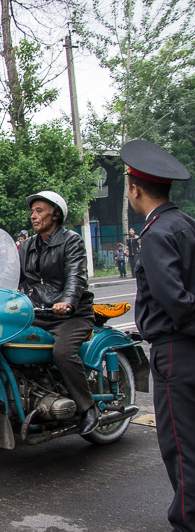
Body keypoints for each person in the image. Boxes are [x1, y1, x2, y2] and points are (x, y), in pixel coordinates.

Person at [122, 139, 194, 532]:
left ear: (135, 188)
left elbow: (175, 302)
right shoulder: (185, 224)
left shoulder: (154, 234)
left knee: (181, 446)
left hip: (175, 352)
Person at [18, 191, 98, 435]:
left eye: (39, 210)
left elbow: (76, 275)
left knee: (62, 352)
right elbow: (13, 277)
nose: (33, 215)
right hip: (38, 313)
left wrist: (68, 301)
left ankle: (88, 409)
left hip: (70, 315)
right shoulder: (27, 246)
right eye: (32, 211)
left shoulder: (71, 241)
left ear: (56, 215)